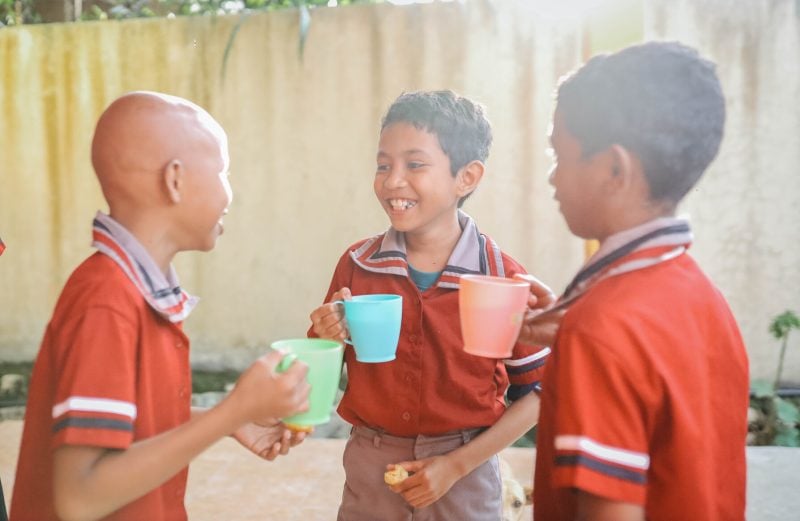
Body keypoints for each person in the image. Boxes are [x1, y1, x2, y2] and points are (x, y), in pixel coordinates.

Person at [10, 91, 311, 521]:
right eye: (224, 171)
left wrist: (228, 421)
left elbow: (126, 418)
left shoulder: (135, 290)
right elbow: (80, 497)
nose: (231, 191)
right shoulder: (106, 301)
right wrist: (233, 410)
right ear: (175, 180)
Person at [309, 90, 555, 520]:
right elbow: (324, 366)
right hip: (372, 465)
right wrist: (326, 336)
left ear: (467, 177)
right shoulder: (357, 265)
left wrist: (457, 465)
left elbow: (538, 391)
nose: (392, 180)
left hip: (466, 474)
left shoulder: (504, 278)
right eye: (383, 165)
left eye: (414, 164)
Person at [532, 41, 749, 521]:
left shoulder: (600, 329)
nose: (553, 177)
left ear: (614, 169)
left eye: (560, 154)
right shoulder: (703, 298)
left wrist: (586, 335)